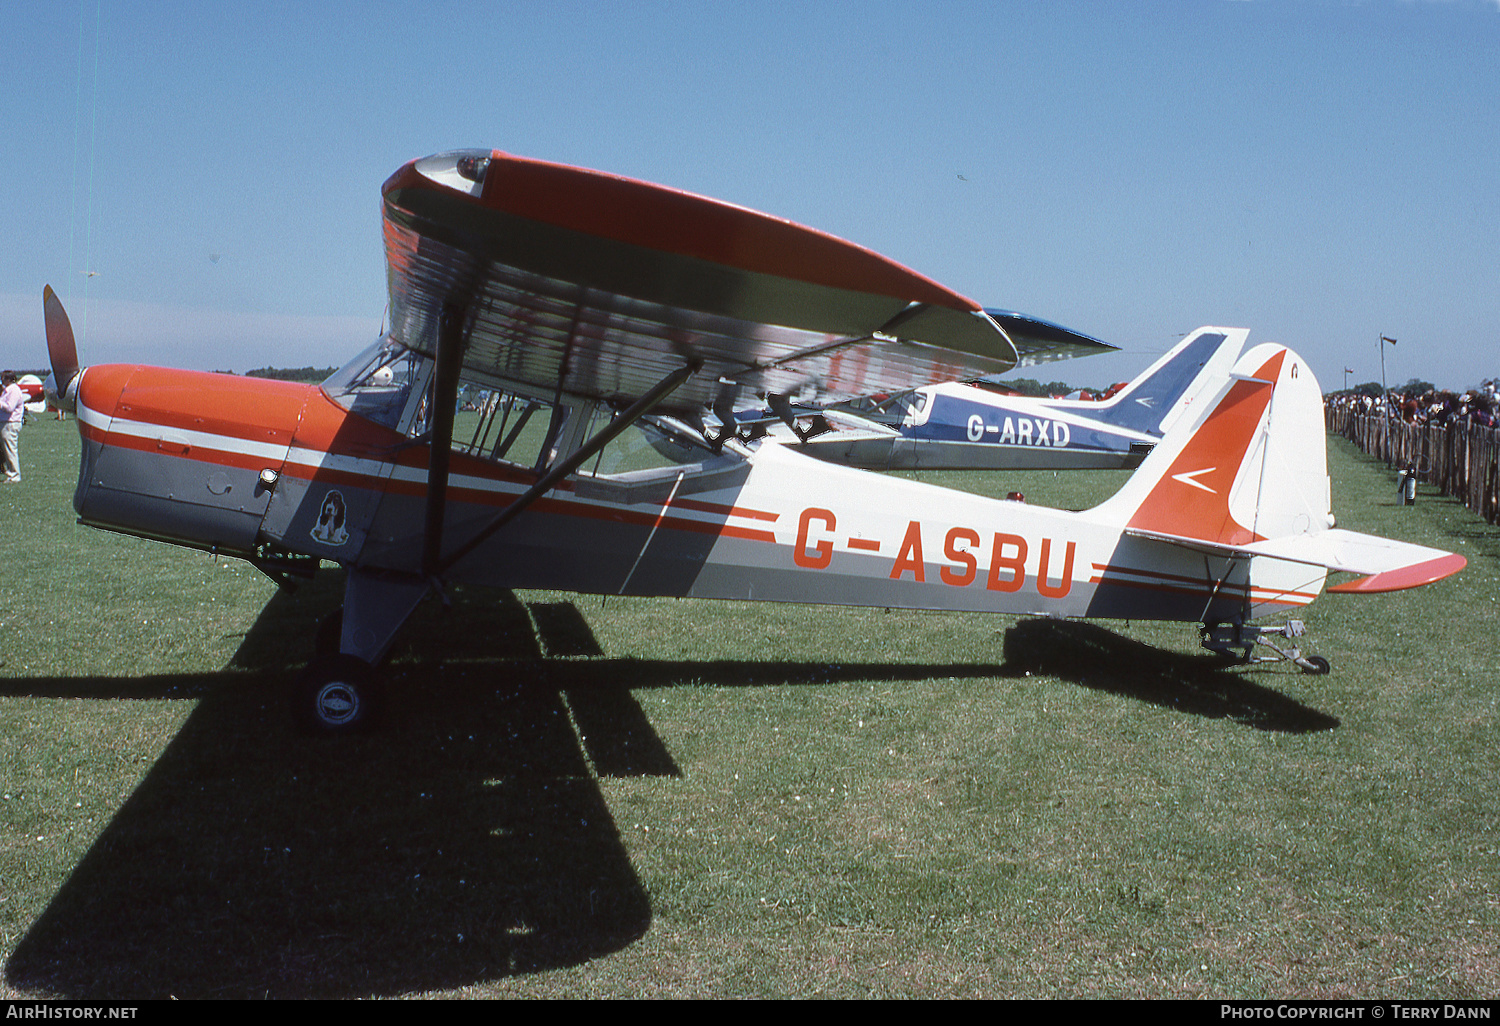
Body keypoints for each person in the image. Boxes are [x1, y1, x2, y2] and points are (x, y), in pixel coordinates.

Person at [1, 371, 25, 483]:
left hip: (10, 424)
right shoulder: (7, 391)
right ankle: (9, 471)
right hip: (6, 423)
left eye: (3, 378)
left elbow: (10, 407)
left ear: (8, 379)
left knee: (10, 449)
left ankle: (15, 475)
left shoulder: (14, 391)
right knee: (6, 449)